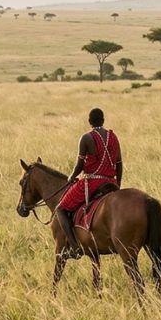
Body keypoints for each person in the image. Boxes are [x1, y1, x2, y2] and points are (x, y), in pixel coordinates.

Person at [55, 108, 123, 252]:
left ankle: (74, 246)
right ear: (103, 120)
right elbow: (119, 164)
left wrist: (71, 177)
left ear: (89, 122)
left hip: (92, 183)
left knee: (60, 209)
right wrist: (117, 185)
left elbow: (79, 165)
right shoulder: (113, 137)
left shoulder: (86, 138)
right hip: (111, 182)